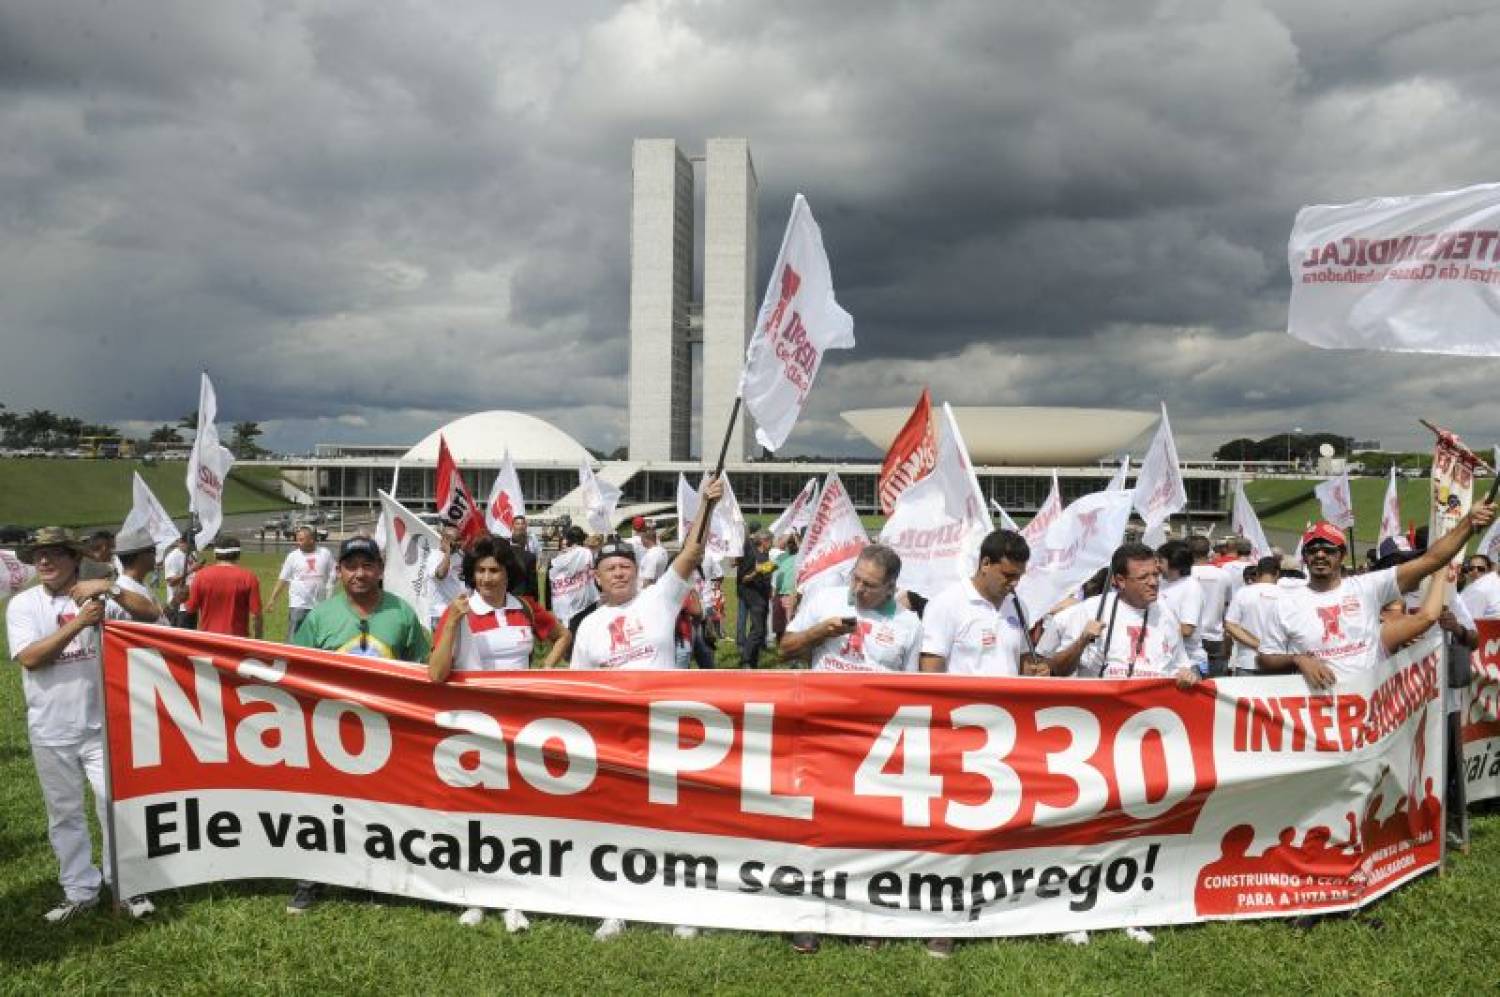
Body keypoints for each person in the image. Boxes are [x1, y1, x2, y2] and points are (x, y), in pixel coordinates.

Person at [572, 476, 723, 941]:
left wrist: (707, 507)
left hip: (668, 732)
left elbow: (691, 555)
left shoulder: (659, 599)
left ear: (637, 572)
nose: (619, 573)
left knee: (676, 823)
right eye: (610, 568)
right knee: (621, 823)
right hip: (618, 739)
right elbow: (577, 691)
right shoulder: (589, 627)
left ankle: (683, 906)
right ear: (595, 577)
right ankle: (617, 908)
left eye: (625, 566)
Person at [1037, 541, 1196, 947]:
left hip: (1145, 740)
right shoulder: (1084, 613)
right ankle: (1073, 910)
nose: (1154, 583)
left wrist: (1188, 673)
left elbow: (1179, 663)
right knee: (1085, 827)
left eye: (1157, 575)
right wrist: (1082, 642)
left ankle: (1129, 910)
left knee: (1133, 828)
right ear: (1119, 580)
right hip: (1091, 741)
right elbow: (1047, 670)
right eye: (1143, 578)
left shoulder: (1166, 614)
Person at [5, 527, 163, 923]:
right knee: (65, 814)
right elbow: (30, 658)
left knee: (115, 809)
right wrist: (79, 624)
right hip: (50, 729)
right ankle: (80, 890)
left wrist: (109, 588)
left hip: (101, 726)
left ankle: (125, 887)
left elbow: (152, 615)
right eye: (39, 555)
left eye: (55, 554)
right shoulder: (22, 605)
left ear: (74, 558)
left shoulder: (98, 593)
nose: (45, 562)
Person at [286, 536, 431, 914]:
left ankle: (376, 880)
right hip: (330, 729)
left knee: (380, 807)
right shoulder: (320, 617)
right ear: (339, 571)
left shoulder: (402, 613)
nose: (360, 574)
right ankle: (309, 880)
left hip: (388, 731)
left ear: (381, 570)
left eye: (368, 565)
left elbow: (422, 669)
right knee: (321, 806)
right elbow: (296, 671)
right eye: (351, 566)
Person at [427, 536, 555, 931]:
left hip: (520, 725)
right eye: (480, 570)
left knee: (516, 814)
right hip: (473, 726)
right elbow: (435, 673)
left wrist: (546, 669)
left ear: (507, 572)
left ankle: (512, 895)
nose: (486, 578)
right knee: (474, 814)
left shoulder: (525, 609)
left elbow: (561, 634)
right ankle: (473, 894)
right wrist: (451, 622)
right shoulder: (460, 609)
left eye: (494, 570)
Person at [1256, 505, 1495, 687]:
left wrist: (1468, 523)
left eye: (1328, 550)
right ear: (1304, 557)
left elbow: (1431, 560)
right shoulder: (1284, 603)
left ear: (1341, 555)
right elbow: (1264, 659)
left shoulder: (1367, 587)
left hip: (1370, 715)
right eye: (1313, 550)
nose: (1320, 555)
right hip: (1318, 720)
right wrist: (1297, 660)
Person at [781, 545, 921, 674]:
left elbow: (911, 684)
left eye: (869, 585)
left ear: (890, 588)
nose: (858, 589)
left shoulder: (910, 624)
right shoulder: (826, 598)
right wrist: (818, 632)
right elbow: (784, 650)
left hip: (875, 701)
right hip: (824, 698)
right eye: (856, 578)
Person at [919, 529, 1033, 678]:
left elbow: (1023, 662)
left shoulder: (1019, 606)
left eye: (1019, 576)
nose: (1015, 583)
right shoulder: (945, 604)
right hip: (962, 701)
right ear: (985, 564)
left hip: (1007, 701)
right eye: (1008, 575)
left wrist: (1036, 672)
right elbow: (930, 673)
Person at [183, 536, 262, 639]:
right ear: (238, 555)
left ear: (215, 555)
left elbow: (190, 608)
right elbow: (256, 615)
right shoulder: (249, 577)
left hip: (208, 639)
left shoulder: (200, 576)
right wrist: (258, 640)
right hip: (238, 640)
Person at [268, 526, 336, 640]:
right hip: (298, 604)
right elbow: (283, 578)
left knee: (317, 635)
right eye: (297, 539)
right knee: (294, 635)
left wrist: (330, 590)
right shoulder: (293, 556)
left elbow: (335, 572)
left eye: (301, 539)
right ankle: (288, 656)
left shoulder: (325, 553)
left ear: (312, 540)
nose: (297, 542)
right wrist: (272, 599)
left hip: (320, 605)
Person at [1223, 557, 1282, 675]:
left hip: (1247, 661)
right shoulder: (1286, 595)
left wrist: (1256, 644)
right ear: (1277, 574)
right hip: (1276, 661)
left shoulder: (1243, 592)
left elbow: (1230, 625)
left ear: (1258, 573)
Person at [1157, 541, 1206, 675]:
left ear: (1174, 562)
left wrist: (1152, 631)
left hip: (1187, 663)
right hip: (1164, 660)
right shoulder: (1160, 583)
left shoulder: (1191, 587)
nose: (1157, 565)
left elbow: (1187, 629)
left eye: (1161, 561)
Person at [1189, 535, 1231, 675]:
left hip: (1191, 633)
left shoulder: (1185, 575)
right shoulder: (1223, 574)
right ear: (1208, 551)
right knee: (1215, 683)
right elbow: (1228, 606)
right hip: (1214, 634)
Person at [111, 527, 167, 623]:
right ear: (140, 556)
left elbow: (159, 617)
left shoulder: (139, 583)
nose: (156, 554)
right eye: (152, 550)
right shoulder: (126, 592)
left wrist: (174, 602)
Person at [736, 529, 773, 667]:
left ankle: (753, 661)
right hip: (753, 596)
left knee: (759, 629)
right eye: (771, 541)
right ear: (764, 541)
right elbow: (743, 579)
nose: (772, 544)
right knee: (758, 630)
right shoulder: (752, 555)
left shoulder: (766, 554)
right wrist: (756, 572)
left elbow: (766, 572)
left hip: (763, 595)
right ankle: (745, 659)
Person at [548, 526, 597, 625]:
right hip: (585, 600)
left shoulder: (561, 557)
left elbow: (553, 572)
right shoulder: (586, 552)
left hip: (566, 599)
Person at [425, 525, 467, 630]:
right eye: (455, 540)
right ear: (444, 540)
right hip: (440, 613)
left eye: (459, 540)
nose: (458, 544)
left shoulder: (460, 555)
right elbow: (440, 575)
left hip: (459, 610)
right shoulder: (434, 556)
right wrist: (447, 551)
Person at [160, 536, 199, 626]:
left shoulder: (191, 553)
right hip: (179, 607)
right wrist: (190, 570)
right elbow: (171, 582)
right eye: (191, 545)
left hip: (191, 604)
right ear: (182, 542)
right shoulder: (172, 557)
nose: (193, 548)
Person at [635, 522, 670, 587]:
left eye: (641, 539)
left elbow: (648, 580)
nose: (641, 541)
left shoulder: (651, 555)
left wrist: (643, 594)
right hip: (658, 586)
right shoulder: (663, 550)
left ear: (646, 540)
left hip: (648, 591)